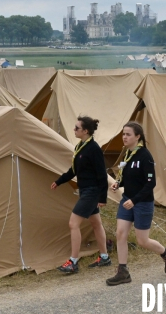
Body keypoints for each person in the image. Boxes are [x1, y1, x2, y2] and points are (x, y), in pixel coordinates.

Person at [106, 121, 166, 286]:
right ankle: (122, 271)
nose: (124, 137)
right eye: (123, 134)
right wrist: (119, 183)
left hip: (142, 203)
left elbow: (150, 184)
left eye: (128, 134)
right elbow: (129, 178)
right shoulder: (128, 155)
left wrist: (135, 200)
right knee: (120, 234)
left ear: (137, 136)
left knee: (142, 241)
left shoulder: (145, 156)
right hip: (127, 200)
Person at [51, 116, 110, 274]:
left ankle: (73, 261)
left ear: (85, 131)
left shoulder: (94, 149)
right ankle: (104, 257)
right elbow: (74, 170)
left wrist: (102, 198)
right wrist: (59, 181)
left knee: (73, 223)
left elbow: (102, 175)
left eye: (77, 128)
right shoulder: (81, 146)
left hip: (92, 192)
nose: (74, 130)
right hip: (85, 190)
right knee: (96, 224)